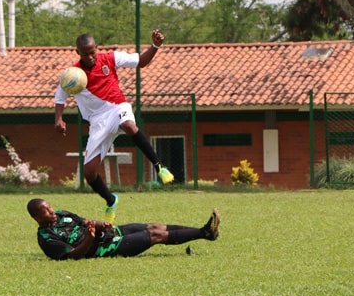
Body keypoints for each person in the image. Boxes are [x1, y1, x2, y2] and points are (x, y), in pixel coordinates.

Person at [54, 29, 174, 222]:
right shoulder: (73, 75)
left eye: (92, 51)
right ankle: (111, 200)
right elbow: (60, 97)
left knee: (128, 125)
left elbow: (141, 62)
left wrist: (155, 45)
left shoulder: (110, 58)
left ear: (97, 48)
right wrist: (58, 119)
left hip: (117, 107)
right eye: (85, 53)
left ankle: (160, 166)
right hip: (97, 122)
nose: (90, 56)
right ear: (78, 53)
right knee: (89, 173)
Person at [27, 198, 220, 261]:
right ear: (37, 217)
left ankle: (204, 231)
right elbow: (73, 256)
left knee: (153, 226)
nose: (51, 211)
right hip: (104, 248)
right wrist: (90, 239)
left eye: (50, 207)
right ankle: (204, 232)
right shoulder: (46, 238)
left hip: (109, 234)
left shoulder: (61, 214)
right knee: (154, 235)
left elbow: (85, 221)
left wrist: (101, 225)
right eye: (46, 211)